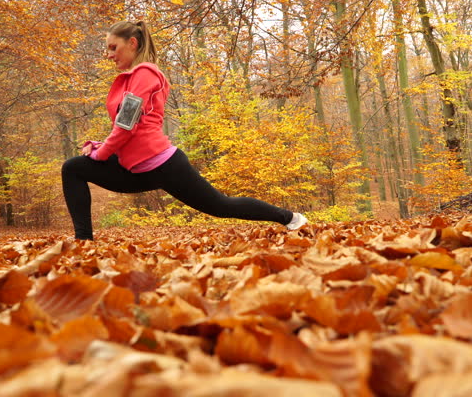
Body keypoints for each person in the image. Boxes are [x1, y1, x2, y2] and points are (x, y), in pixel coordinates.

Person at [61, 21, 308, 240]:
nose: (108, 55)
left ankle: (290, 218)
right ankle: (83, 241)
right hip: (135, 167)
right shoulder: (134, 77)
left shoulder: (145, 74)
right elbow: (128, 125)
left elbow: (126, 125)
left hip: (162, 165)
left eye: (113, 48)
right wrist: (99, 146)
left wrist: (101, 154)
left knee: (221, 206)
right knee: (73, 168)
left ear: (133, 43)